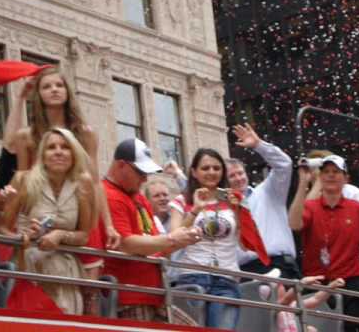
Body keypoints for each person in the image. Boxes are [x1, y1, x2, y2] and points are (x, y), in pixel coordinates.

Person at [11, 66, 120, 313]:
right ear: (38, 94)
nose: (54, 90)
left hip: (80, 218)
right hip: (41, 221)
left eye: (59, 85)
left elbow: (94, 182)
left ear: (68, 91)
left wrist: (109, 223)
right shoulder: (27, 136)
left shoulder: (85, 133)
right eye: (47, 86)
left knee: (89, 296)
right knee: (43, 294)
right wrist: (19, 99)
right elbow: (22, 182)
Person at [103, 138, 202, 324]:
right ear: (121, 165)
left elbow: (158, 246)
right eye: (140, 172)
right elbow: (126, 244)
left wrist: (183, 238)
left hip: (156, 295)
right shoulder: (109, 195)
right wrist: (173, 239)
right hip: (130, 297)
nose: (145, 179)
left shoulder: (139, 198)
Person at [169, 147, 269, 330]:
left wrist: (239, 211)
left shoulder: (234, 200)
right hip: (192, 277)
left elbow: (245, 245)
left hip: (226, 278)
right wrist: (195, 210)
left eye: (216, 168)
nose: (211, 172)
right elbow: (174, 239)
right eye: (205, 168)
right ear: (194, 172)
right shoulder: (182, 200)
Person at [0, 127, 96, 314]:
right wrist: (20, 238)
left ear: (74, 153)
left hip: (66, 271)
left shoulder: (83, 182)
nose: (59, 151)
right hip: (29, 265)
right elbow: (1, 227)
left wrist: (60, 235)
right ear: (42, 154)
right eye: (52, 147)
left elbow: (84, 236)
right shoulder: (23, 179)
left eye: (65, 147)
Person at [289, 154, 359, 332]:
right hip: (317, 283)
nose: (330, 175)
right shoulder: (310, 206)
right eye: (326, 172)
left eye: (336, 172)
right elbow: (294, 224)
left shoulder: (357, 209)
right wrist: (303, 183)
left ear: (346, 178)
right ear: (320, 177)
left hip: (352, 284)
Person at [227, 123, 299, 279]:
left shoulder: (269, 191)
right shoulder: (225, 207)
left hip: (279, 266)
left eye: (240, 173)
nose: (238, 178)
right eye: (232, 176)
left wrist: (258, 145)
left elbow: (284, 165)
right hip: (246, 272)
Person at [303, 149, 359, 229]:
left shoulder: (350, 191)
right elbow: (303, 221)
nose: (315, 171)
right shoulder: (306, 194)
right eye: (312, 167)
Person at [259, 275, 346, 332]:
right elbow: (285, 301)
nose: (282, 286)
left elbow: (316, 299)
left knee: (311, 330)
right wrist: (301, 284)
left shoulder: (292, 305)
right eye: (278, 286)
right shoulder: (269, 309)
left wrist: (330, 287)